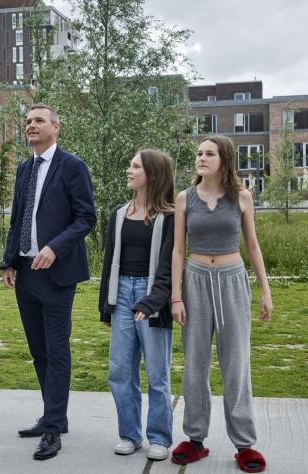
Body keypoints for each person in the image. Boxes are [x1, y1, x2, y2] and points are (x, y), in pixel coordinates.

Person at [170, 136, 273, 473]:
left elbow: (254, 246)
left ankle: (244, 444)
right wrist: (176, 296)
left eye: (208, 153)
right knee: (195, 363)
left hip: (232, 279)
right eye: (199, 153)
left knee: (236, 363)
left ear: (224, 159)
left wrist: (265, 291)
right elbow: (178, 251)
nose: (201, 158)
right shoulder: (185, 198)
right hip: (196, 279)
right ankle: (195, 439)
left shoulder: (241, 197)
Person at [1, 104, 96, 460]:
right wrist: (9, 262)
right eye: (27, 122)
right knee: (38, 350)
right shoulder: (25, 168)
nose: (31, 126)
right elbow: (16, 220)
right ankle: (53, 415)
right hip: (25, 274)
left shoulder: (72, 166)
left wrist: (55, 248)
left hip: (57, 275)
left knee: (57, 351)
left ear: (56, 127)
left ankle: (53, 430)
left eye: (38, 120)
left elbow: (87, 217)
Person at [99, 149, 175, 461]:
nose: (128, 171)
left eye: (135, 166)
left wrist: (151, 300)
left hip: (152, 297)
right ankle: (130, 435)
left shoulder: (169, 217)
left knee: (157, 373)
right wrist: (106, 304)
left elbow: (170, 268)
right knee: (119, 371)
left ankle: (159, 437)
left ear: (153, 175)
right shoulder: (118, 214)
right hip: (122, 296)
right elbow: (108, 264)